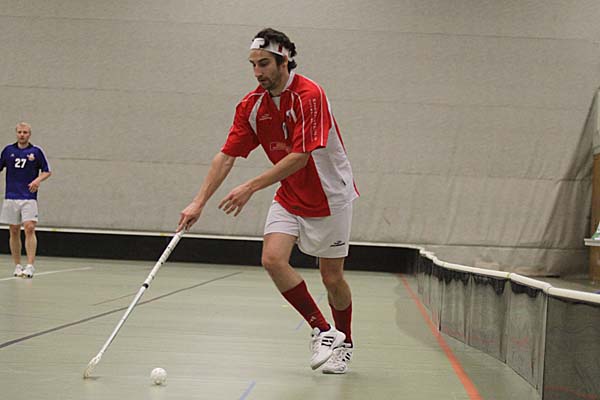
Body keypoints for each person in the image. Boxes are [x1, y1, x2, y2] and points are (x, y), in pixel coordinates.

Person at [178, 28, 358, 374]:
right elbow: (226, 156)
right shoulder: (251, 106)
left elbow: (300, 157)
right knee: (272, 259)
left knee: (332, 278)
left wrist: (250, 187)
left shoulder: (310, 95)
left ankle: (345, 343)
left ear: (283, 61)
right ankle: (322, 330)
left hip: (330, 195)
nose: (257, 71)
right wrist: (198, 202)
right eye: (253, 64)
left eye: (264, 64)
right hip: (289, 193)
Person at [0, 122, 52, 278]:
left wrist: (37, 180)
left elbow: (47, 171)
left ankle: (30, 265)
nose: (22, 135)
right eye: (20, 132)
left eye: (25, 132)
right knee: (14, 230)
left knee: (29, 227)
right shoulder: (8, 151)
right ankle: (17, 265)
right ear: (16, 133)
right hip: (11, 196)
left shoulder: (36, 152)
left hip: (28, 196)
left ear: (29, 134)